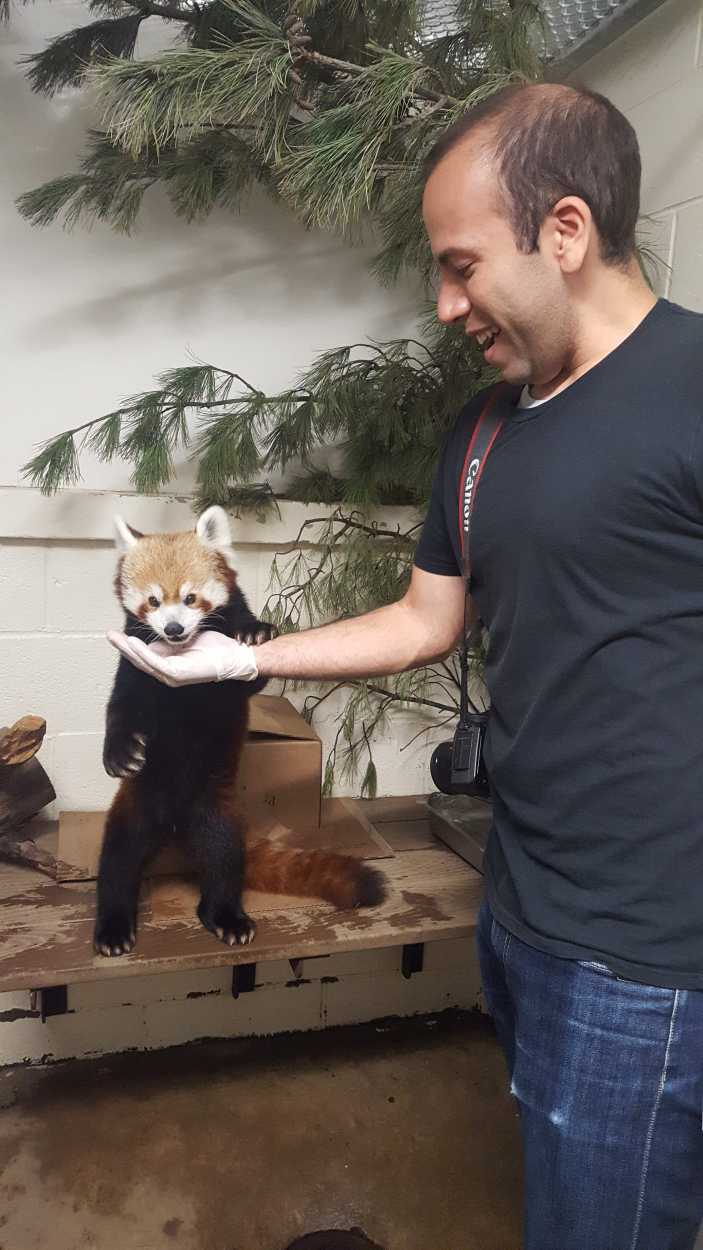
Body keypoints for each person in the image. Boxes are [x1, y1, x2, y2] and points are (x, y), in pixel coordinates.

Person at [109, 83, 703, 1250]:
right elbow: (426, 619)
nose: (443, 303)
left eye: (461, 264)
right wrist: (242, 655)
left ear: (566, 232)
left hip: (651, 948)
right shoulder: (483, 434)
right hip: (523, 904)